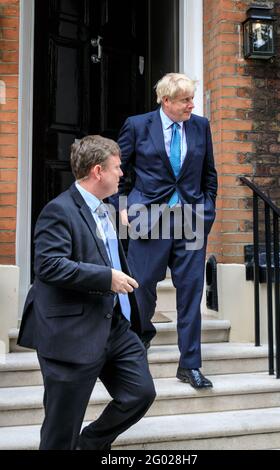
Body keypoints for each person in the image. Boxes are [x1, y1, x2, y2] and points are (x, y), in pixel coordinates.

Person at [17, 135, 156, 450]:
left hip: (114, 328)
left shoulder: (105, 211)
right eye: (117, 168)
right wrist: (106, 278)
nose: (122, 174)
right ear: (98, 171)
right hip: (70, 332)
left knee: (140, 393)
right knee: (61, 430)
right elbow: (50, 266)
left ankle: (90, 444)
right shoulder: (58, 211)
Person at [113, 73, 218, 389]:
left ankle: (189, 365)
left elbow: (209, 174)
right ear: (166, 101)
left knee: (191, 292)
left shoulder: (200, 126)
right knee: (142, 286)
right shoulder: (138, 125)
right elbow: (117, 167)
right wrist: (120, 205)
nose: (191, 104)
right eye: (185, 99)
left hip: (191, 218)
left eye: (192, 98)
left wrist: (207, 210)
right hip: (149, 216)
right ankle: (139, 346)